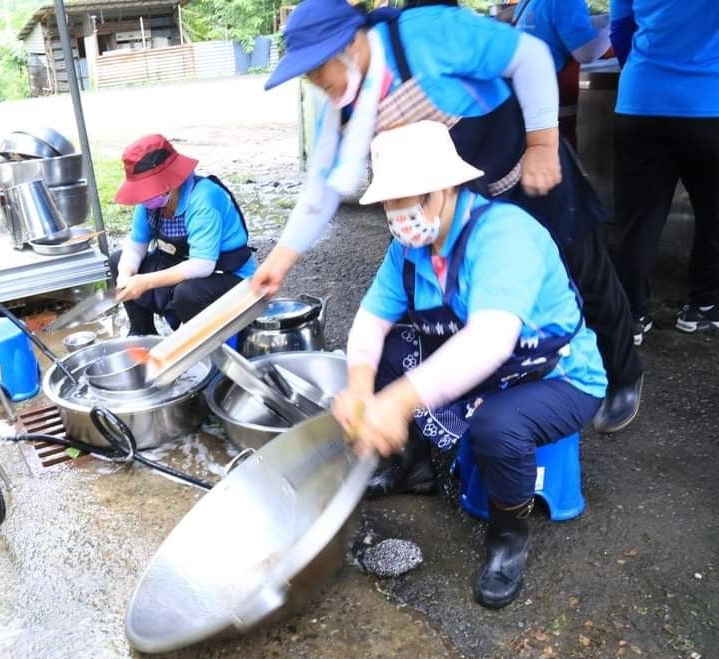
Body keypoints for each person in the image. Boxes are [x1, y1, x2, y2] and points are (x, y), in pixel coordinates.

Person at [255, 0, 641, 439]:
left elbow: (530, 56)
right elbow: (322, 187)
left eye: (316, 68)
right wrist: (279, 262)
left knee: (584, 270)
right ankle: (508, 388)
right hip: (453, 205)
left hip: (525, 170)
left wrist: (542, 144)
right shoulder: (340, 104)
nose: (314, 81)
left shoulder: (425, 35)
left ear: (350, 45)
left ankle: (622, 374)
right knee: (474, 298)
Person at [333, 121, 606, 608]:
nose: (397, 215)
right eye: (389, 203)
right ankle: (413, 467)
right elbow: (370, 322)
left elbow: (489, 342)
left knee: (496, 426)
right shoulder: (408, 252)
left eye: (408, 199)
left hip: (557, 376)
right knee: (386, 355)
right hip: (484, 370)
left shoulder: (504, 235)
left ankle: (507, 541)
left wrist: (396, 402)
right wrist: (358, 387)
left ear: (446, 188)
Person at [609, 0, 719, 339]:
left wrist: (648, 74)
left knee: (637, 219)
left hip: (641, 101)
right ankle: (704, 304)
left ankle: (630, 315)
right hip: (710, 103)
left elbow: (620, 30)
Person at [108, 134, 256, 335]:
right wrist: (126, 275)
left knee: (188, 294)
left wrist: (145, 282)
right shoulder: (148, 203)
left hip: (228, 275)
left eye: (150, 188)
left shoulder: (204, 199)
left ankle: (204, 345)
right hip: (181, 264)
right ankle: (143, 334)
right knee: (118, 260)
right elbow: (135, 246)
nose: (145, 197)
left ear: (172, 180)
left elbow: (202, 265)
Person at [509, 0, 612, 149]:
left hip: (526, 96)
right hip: (551, 102)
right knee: (559, 155)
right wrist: (614, 27)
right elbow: (586, 53)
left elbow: (561, 22)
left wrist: (607, 19)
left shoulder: (529, 3)